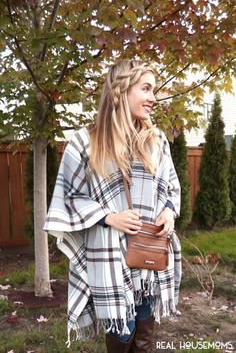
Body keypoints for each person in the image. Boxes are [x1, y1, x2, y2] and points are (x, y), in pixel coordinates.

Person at [44, 59, 181, 352]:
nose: (153, 98)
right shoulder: (85, 142)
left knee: (144, 330)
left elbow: (170, 187)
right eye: (145, 89)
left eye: (153, 90)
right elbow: (68, 198)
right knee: (122, 331)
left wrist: (168, 211)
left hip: (150, 252)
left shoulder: (156, 140)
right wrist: (109, 216)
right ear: (121, 91)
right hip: (108, 255)